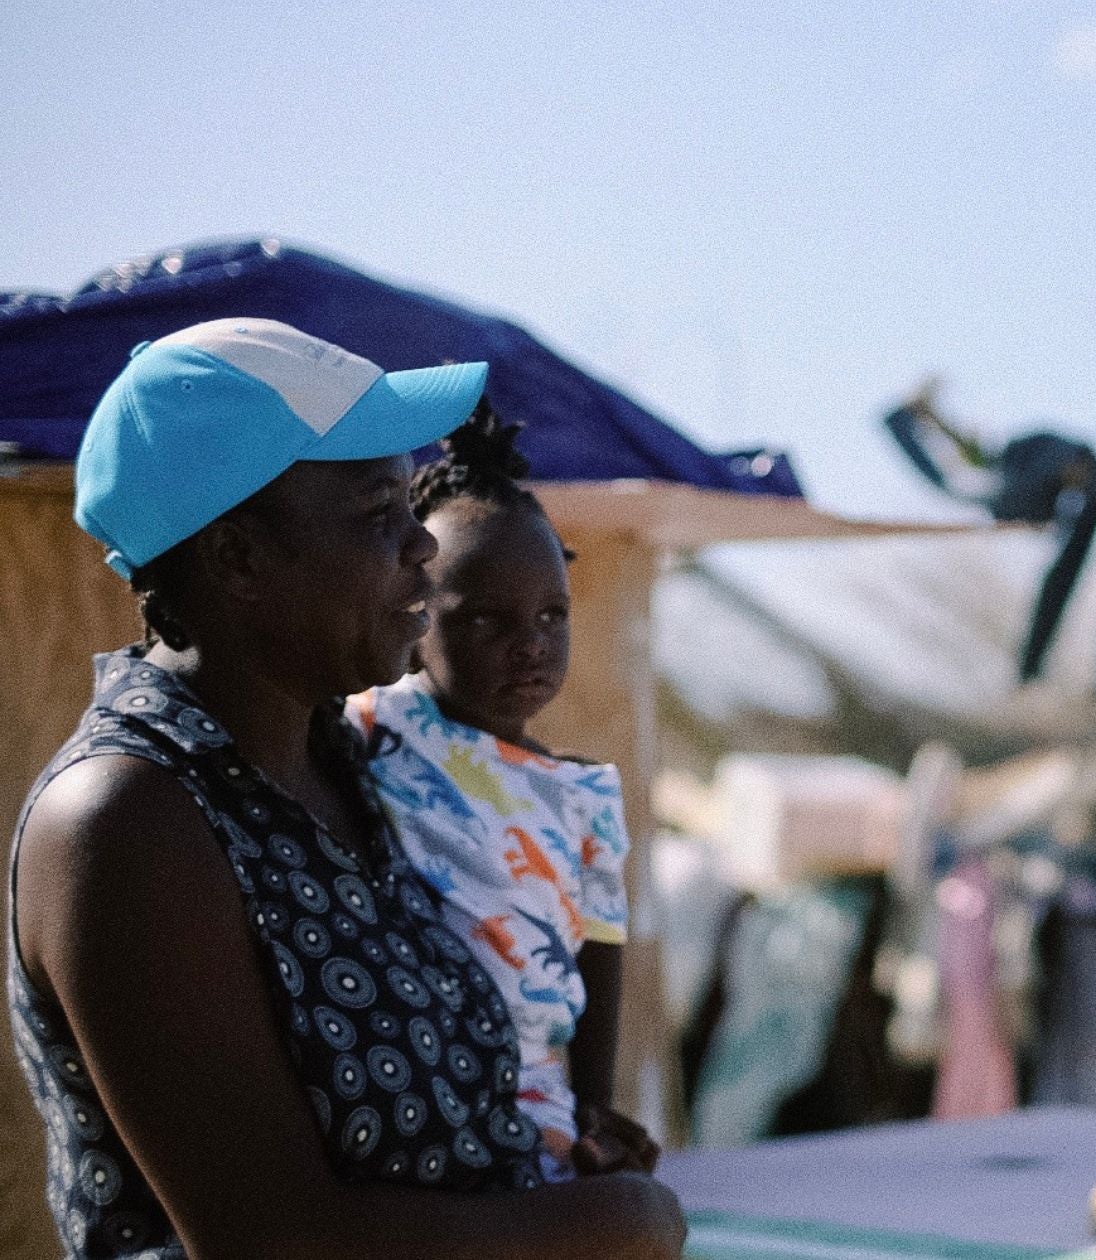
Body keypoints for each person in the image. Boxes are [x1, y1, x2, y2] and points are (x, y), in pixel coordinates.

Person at [8, 318, 685, 1258]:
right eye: (379, 515)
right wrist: (610, 1224)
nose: (422, 548)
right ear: (238, 557)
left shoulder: (355, 764)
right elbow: (275, 1240)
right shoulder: (127, 822)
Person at [347, 407, 652, 1182]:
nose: (531, 644)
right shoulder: (379, 723)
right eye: (487, 617)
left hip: (537, 1099)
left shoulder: (584, 794)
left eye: (553, 614)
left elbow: (601, 955)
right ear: (415, 614)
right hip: (416, 1090)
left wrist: (593, 1108)